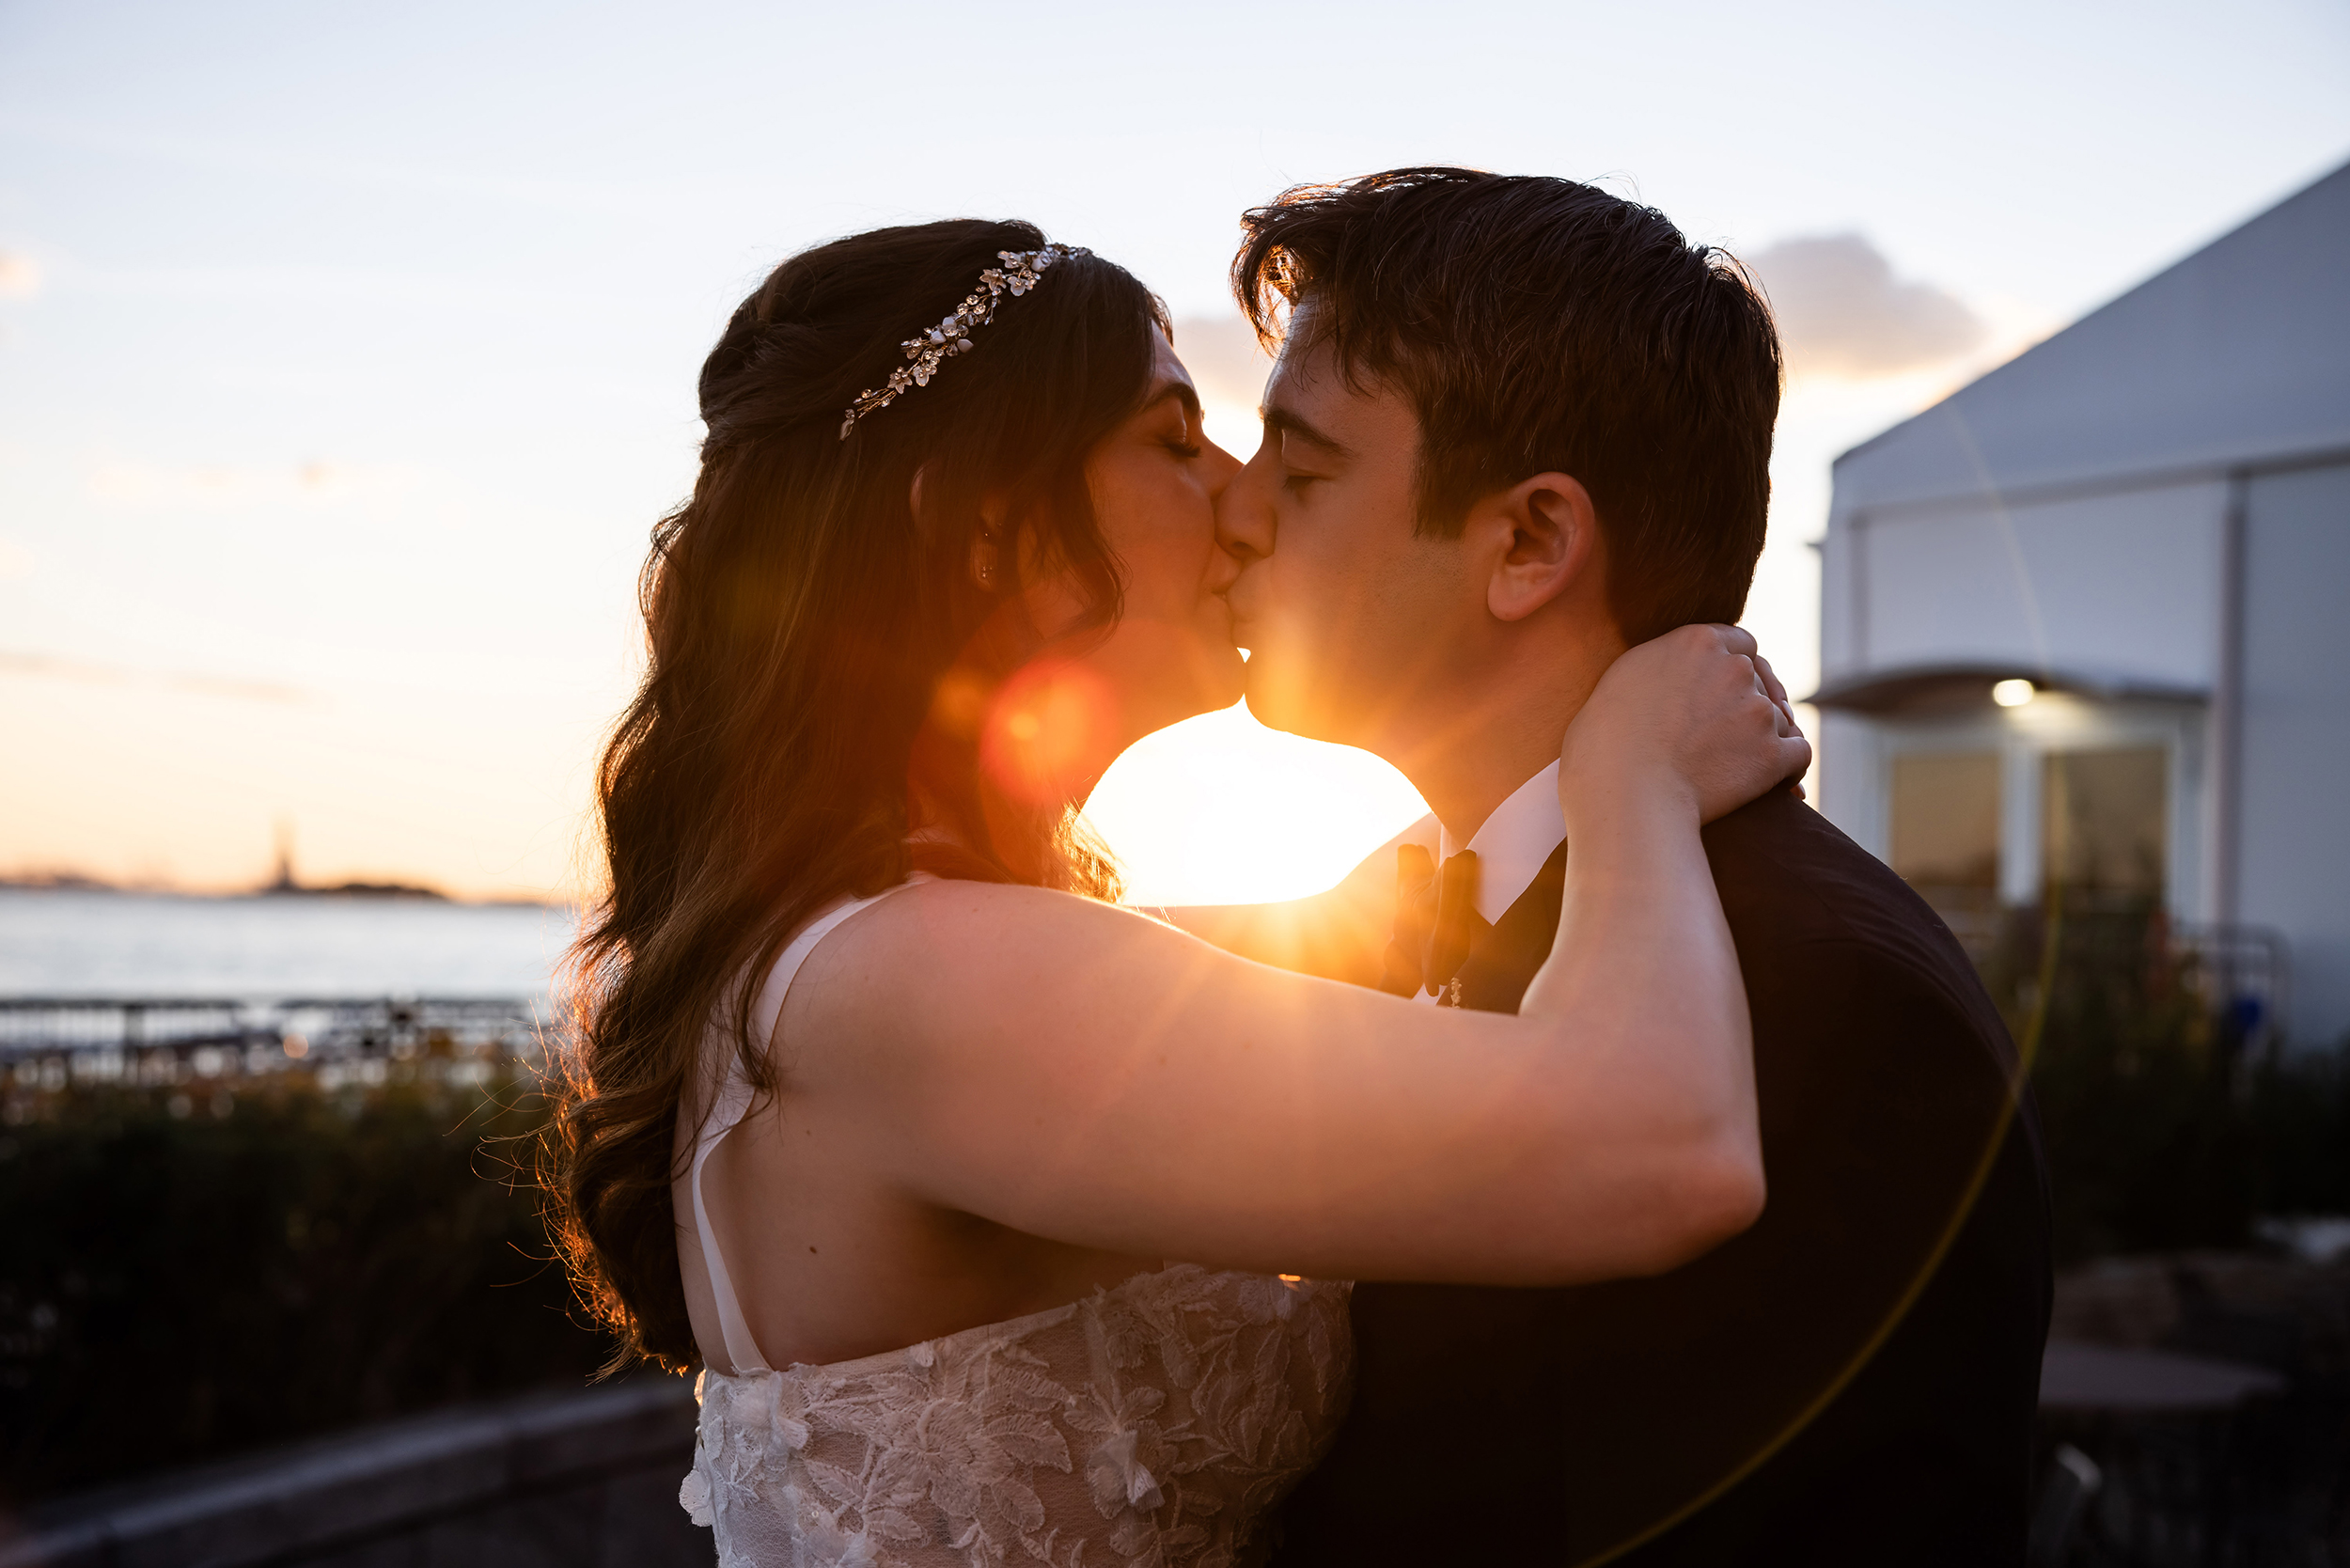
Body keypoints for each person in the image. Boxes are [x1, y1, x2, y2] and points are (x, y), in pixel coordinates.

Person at [542, 217, 1808, 1568]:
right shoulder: (924, 979)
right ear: (985, 532)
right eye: (1170, 440)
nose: (1237, 497)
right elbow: (1662, 1153)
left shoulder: (898, 949)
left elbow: (1255, 996)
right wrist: (1632, 787)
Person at [1203, 169, 2053, 1567]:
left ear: (1529, 541)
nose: (1239, 517)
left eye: (1301, 472)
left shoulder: (1823, 1003)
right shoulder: (1381, 910)